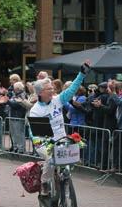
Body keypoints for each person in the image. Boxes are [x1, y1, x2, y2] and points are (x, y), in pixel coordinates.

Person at [29, 62, 90, 195]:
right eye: (48, 89)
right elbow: (36, 133)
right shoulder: (36, 111)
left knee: (69, 158)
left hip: (61, 139)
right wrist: (39, 142)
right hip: (44, 142)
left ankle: (64, 182)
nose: (52, 91)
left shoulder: (58, 100)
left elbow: (72, 89)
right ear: (40, 92)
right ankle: (45, 182)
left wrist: (82, 74)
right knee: (51, 158)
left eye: (52, 88)